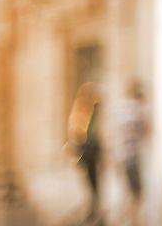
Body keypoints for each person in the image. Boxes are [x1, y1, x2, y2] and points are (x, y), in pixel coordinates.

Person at [113, 80, 150, 225]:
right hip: (132, 158)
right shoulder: (136, 110)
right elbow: (146, 131)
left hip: (120, 157)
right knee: (137, 195)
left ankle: (125, 221)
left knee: (127, 193)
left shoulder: (120, 109)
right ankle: (133, 222)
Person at [67, 82, 102, 225]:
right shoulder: (82, 111)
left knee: (93, 184)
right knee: (90, 184)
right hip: (87, 152)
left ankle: (94, 212)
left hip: (91, 152)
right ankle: (91, 212)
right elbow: (77, 132)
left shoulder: (91, 112)